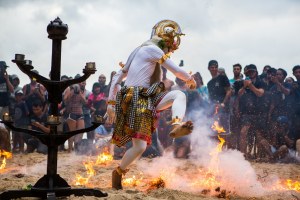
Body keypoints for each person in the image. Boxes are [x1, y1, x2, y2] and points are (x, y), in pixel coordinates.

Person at [106, 20, 196, 190]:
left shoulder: (137, 50)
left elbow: (118, 75)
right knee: (139, 146)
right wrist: (190, 80)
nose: (169, 52)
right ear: (165, 42)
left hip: (147, 96)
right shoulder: (153, 50)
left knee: (178, 95)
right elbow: (176, 71)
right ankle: (118, 171)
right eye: (169, 48)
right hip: (139, 98)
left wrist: (111, 102)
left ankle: (177, 124)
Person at [238, 64, 265, 159]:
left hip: (258, 113)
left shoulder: (260, 82)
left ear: (256, 72)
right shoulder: (243, 82)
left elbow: (260, 93)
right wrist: (245, 86)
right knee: (243, 132)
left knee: (258, 135)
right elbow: (239, 95)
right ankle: (242, 155)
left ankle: (258, 155)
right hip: (246, 113)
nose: (251, 73)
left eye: (252, 71)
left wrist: (250, 85)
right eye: (249, 72)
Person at [0, 61, 14, 151]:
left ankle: (7, 148)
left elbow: (12, 90)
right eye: (2, 68)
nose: (3, 69)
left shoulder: (9, 78)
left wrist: (7, 79)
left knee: (7, 126)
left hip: (5, 106)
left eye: (5, 68)